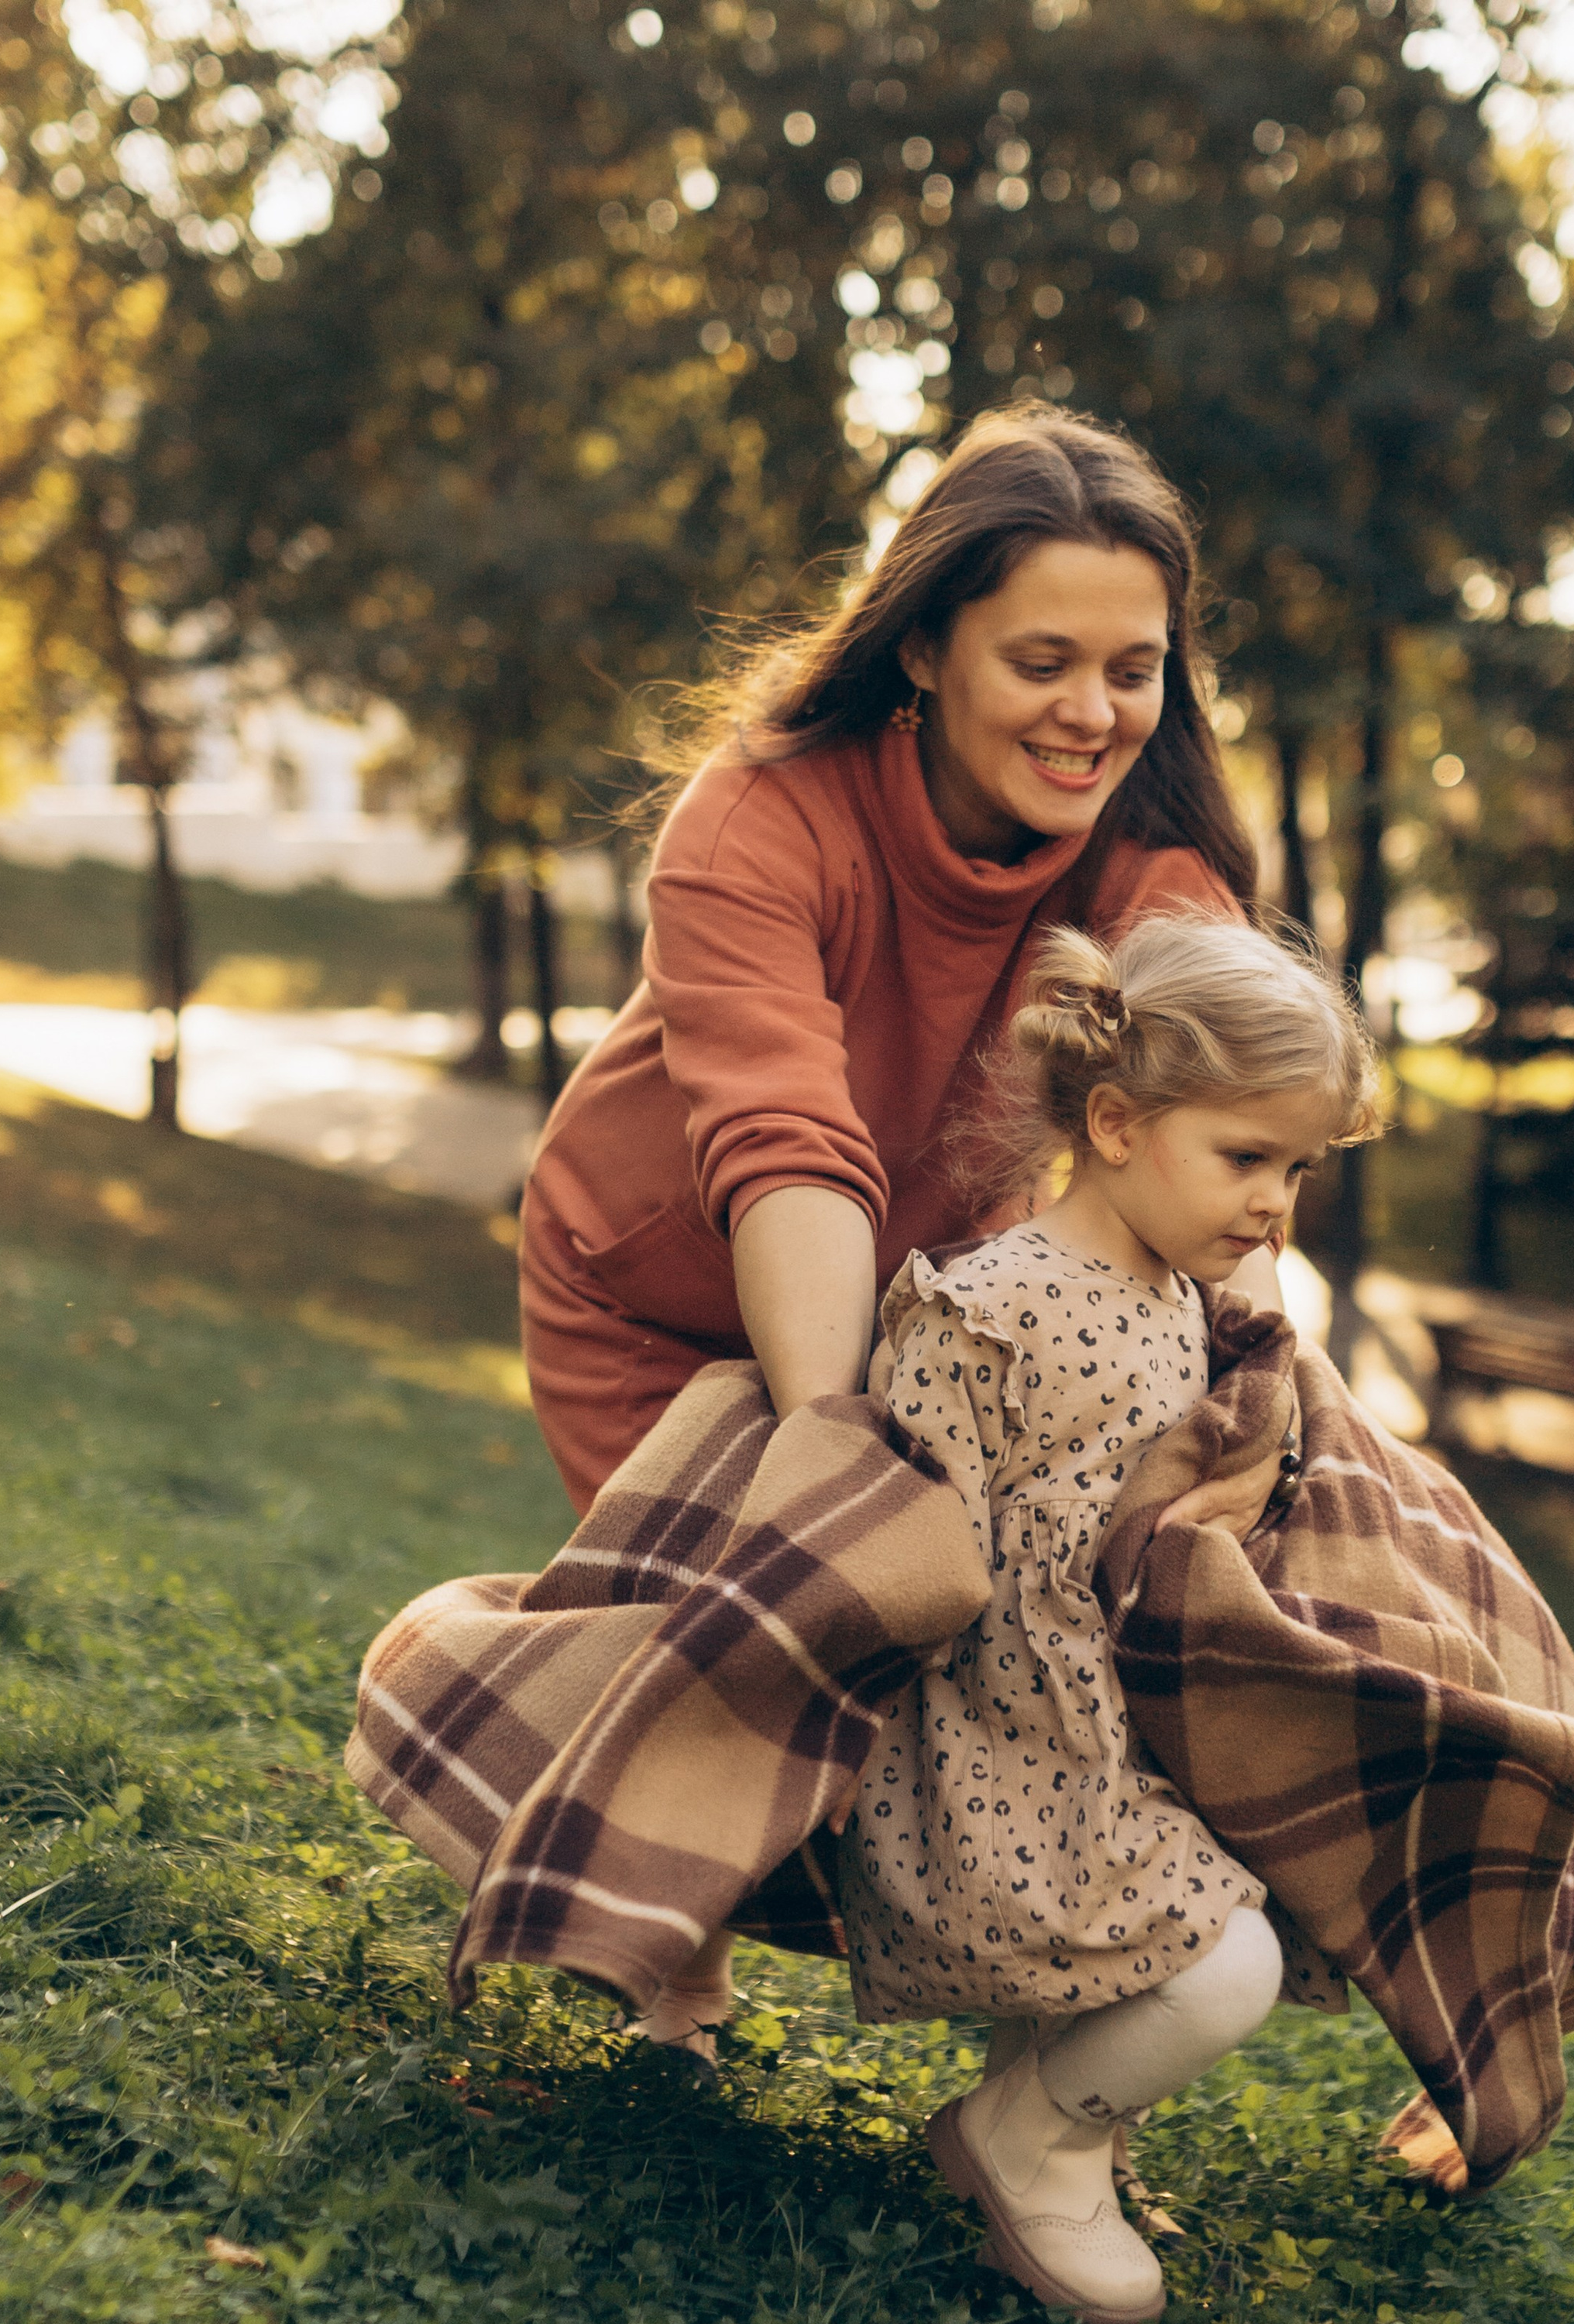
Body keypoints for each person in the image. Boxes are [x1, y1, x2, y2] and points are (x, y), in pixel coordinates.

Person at [521, 405, 1287, 2062]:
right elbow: (785, 1143)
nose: (1092, 713)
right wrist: (833, 1453)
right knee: (750, 1629)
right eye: (1041, 659)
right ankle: (669, 1937)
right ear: (926, 645)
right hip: (664, 1291)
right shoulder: (764, 811)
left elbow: (1179, 1187)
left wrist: (1231, 1408)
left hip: (941, 1311)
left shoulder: (1158, 882)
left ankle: (1062, 2079)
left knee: (1018, 1646)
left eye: (1133, 667)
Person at [837, 908, 1381, 2324]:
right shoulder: (991, 1306)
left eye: (1299, 1168)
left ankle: (1062, 2131)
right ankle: (1025, 2139)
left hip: (1119, 1727)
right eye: (1246, 1157)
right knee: (1225, 1971)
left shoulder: (1186, 1304)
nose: (1275, 1204)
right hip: (999, 1742)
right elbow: (908, 1535)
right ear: (1121, 1122)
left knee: (1203, 1939)